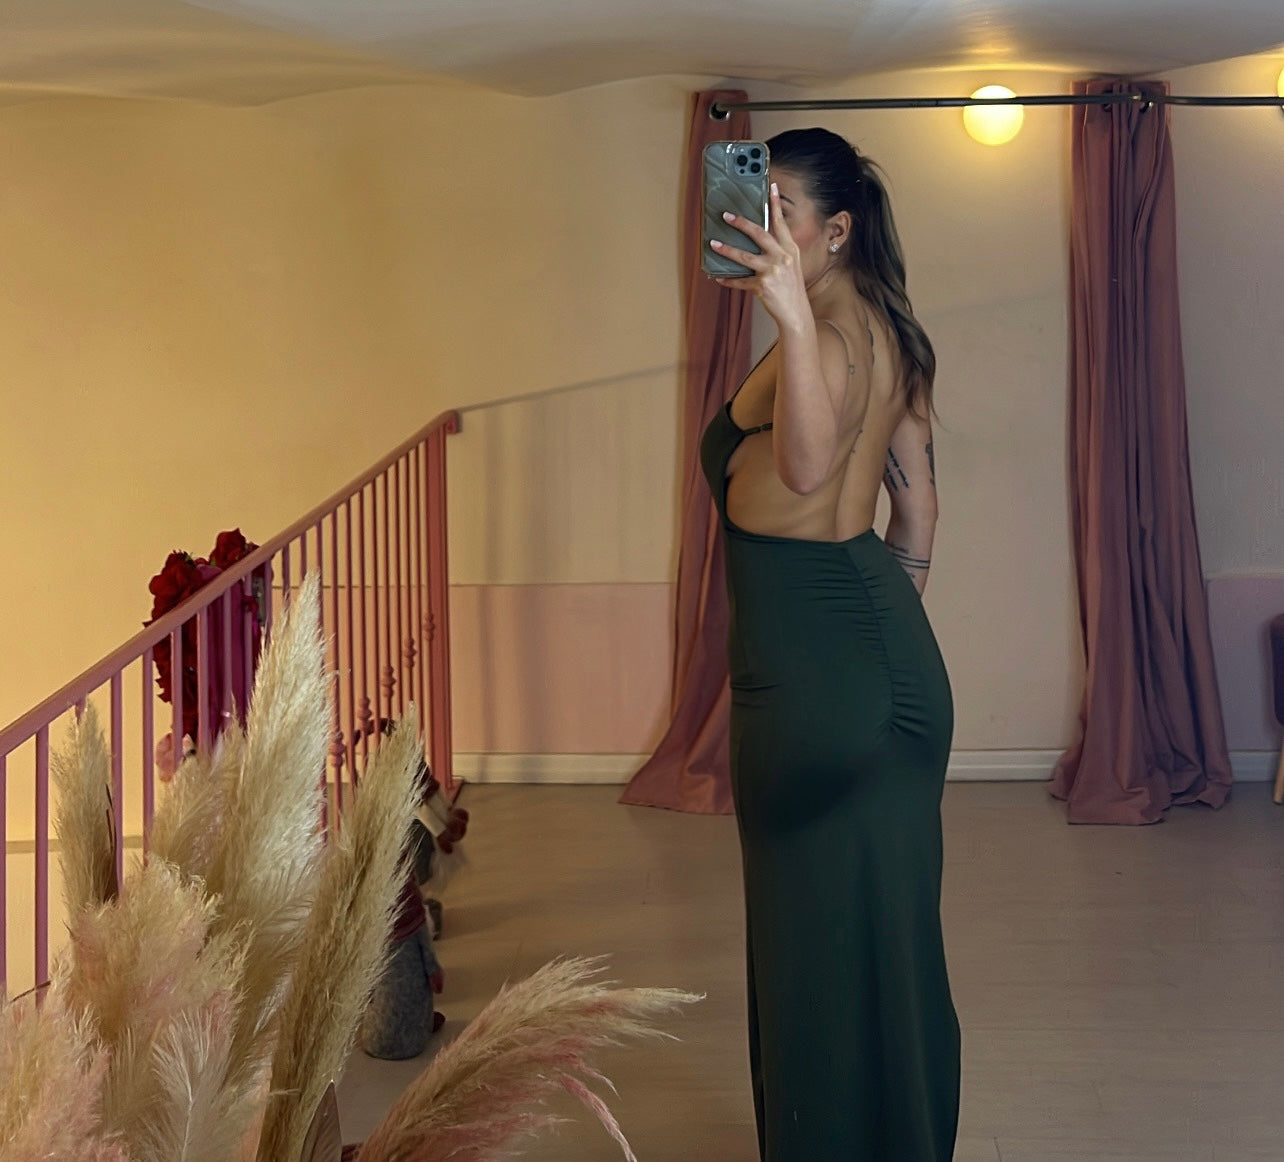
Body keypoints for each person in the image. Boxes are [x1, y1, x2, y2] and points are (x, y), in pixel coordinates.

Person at [701, 126, 959, 1160]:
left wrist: (790, 319)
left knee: (808, 950)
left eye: (783, 214)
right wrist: (881, 654)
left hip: (812, 681)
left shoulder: (829, 335)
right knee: (890, 947)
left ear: (837, 230)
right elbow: (919, 515)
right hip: (887, 664)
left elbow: (805, 470)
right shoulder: (890, 329)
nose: (762, 229)